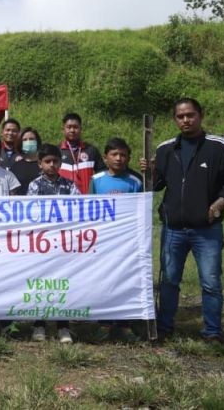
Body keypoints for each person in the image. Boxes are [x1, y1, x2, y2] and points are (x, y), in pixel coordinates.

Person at [142, 98, 224, 343]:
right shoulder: (166, 148)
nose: (185, 120)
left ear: (201, 115)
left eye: (190, 115)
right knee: (168, 280)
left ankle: (212, 332)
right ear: (175, 119)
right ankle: (165, 327)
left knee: (210, 282)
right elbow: (157, 185)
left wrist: (219, 204)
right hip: (173, 228)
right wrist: (150, 171)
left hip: (206, 230)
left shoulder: (219, 146)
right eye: (180, 116)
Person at [90, 137, 142, 342]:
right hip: (104, 239)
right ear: (105, 157)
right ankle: (104, 323)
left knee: (126, 279)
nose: (119, 159)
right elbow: (90, 209)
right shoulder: (97, 180)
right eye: (114, 154)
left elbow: (140, 211)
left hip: (127, 241)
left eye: (123, 155)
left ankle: (125, 324)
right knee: (104, 279)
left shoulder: (135, 181)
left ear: (129, 158)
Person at [27, 143, 80, 344]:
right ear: (40, 164)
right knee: (41, 282)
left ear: (60, 163)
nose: (51, 165)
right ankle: (39, 324)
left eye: (55, 161)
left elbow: (78, 209)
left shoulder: (70, 185)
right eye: (47, 161)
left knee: (63, 283)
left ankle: (63, 326)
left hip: (64, 243)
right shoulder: (34, 186)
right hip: (41, 243)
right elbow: (31, 213)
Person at [59, 113, 105, 194]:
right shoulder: (57, 151)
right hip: (64, 201)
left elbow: (102, 175)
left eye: (75, 127)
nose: (72, 130)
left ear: (81, 129)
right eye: (69, 127)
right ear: (63, 129)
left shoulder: (91, 150)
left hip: (87, 199)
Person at [10, 127, 41, 196]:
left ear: (37, 141)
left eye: (31, 139)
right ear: (20, 143)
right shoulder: (15, 167)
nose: (28, 142)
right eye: (25, 140)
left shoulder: (45, 165)